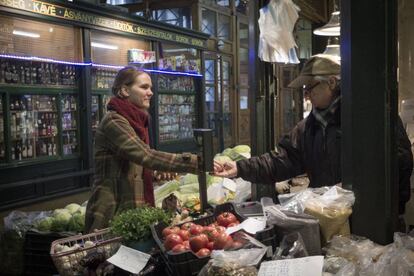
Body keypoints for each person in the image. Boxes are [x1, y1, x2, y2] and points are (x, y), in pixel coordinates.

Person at [214, 54, 413, 218]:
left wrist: (357, 185)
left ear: (332, 83)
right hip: (329, 219)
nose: (306, 94)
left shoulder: (371, 115)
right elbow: (282, 160)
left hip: (373, 220)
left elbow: (400, 159)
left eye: (310, 87)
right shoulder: (308, 128)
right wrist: (239, 168)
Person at [85, 66, 198, 232]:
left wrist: (152, 173)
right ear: (124, 90)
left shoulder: (137, 121)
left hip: (131, 210)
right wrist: (196, 162)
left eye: (150, 88)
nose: (151, 92)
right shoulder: (114, 121)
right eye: (144, 87)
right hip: (113, 211)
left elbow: (132, 165)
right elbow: (146, 155)